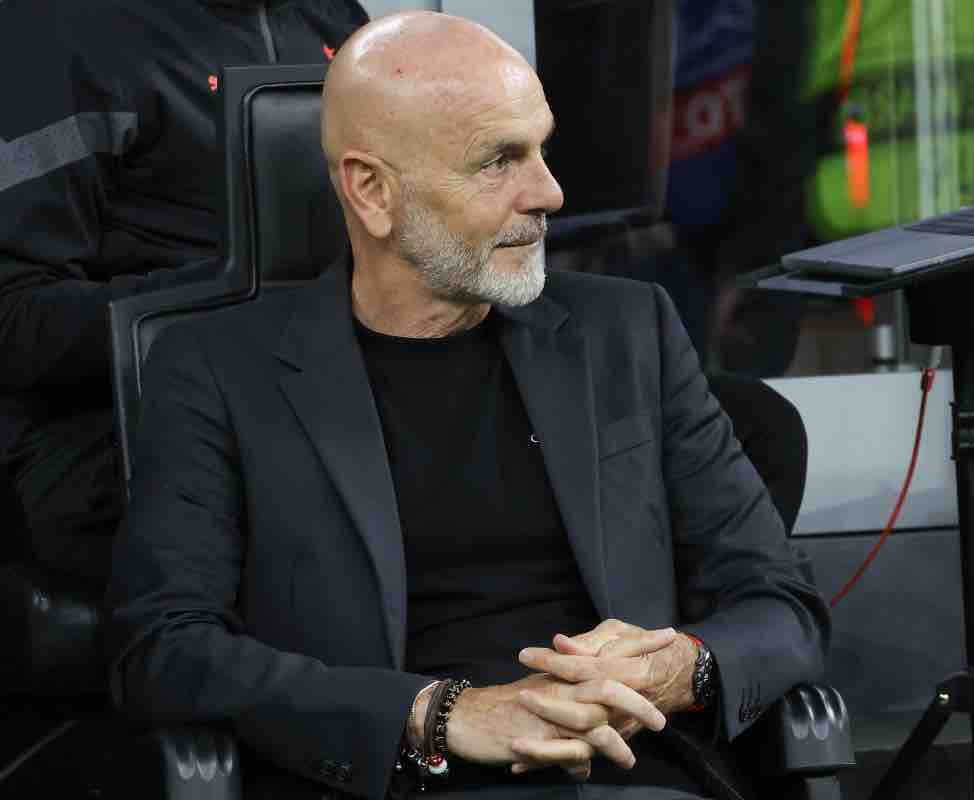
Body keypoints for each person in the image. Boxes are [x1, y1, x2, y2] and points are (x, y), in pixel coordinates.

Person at [106, 11, 830, 799]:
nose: (549, 192)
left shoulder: (628, 332)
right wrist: (437, 715)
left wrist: (682, 668)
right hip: (399, 781)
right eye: (499, 161)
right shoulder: (219, 369)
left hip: (632, 778)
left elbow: (781, 601)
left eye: (542, 148)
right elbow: (164, 650)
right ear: (372, 191)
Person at [0, 0, 369, 583]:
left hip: (319, 394)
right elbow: (14, 320)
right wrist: (236, 297)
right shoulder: (54, 33)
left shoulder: (334, 17)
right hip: (108, 428)